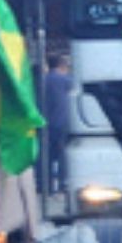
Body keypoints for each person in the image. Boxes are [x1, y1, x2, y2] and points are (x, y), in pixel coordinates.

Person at [42, 52, 74, 193]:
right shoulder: (65, 80)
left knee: (47, 155)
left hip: (46, 123)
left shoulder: (44, 80)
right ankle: (62, 183)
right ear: (62, 66)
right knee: (62, 155)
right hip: (62, 121)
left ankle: (47, 185)